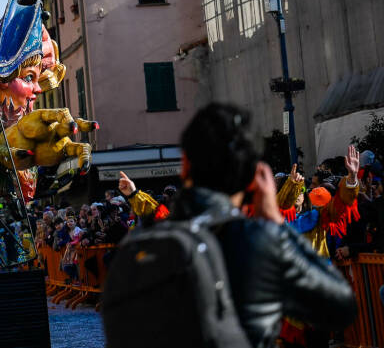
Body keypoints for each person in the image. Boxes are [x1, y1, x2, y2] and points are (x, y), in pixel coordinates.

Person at [104, 103, 358, 348]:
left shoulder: (142, 246)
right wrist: (275, 226)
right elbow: (340, 306)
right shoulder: (260, 234)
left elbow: (161, 215)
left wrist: (134, 195)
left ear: (185, 167)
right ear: (252, 179)